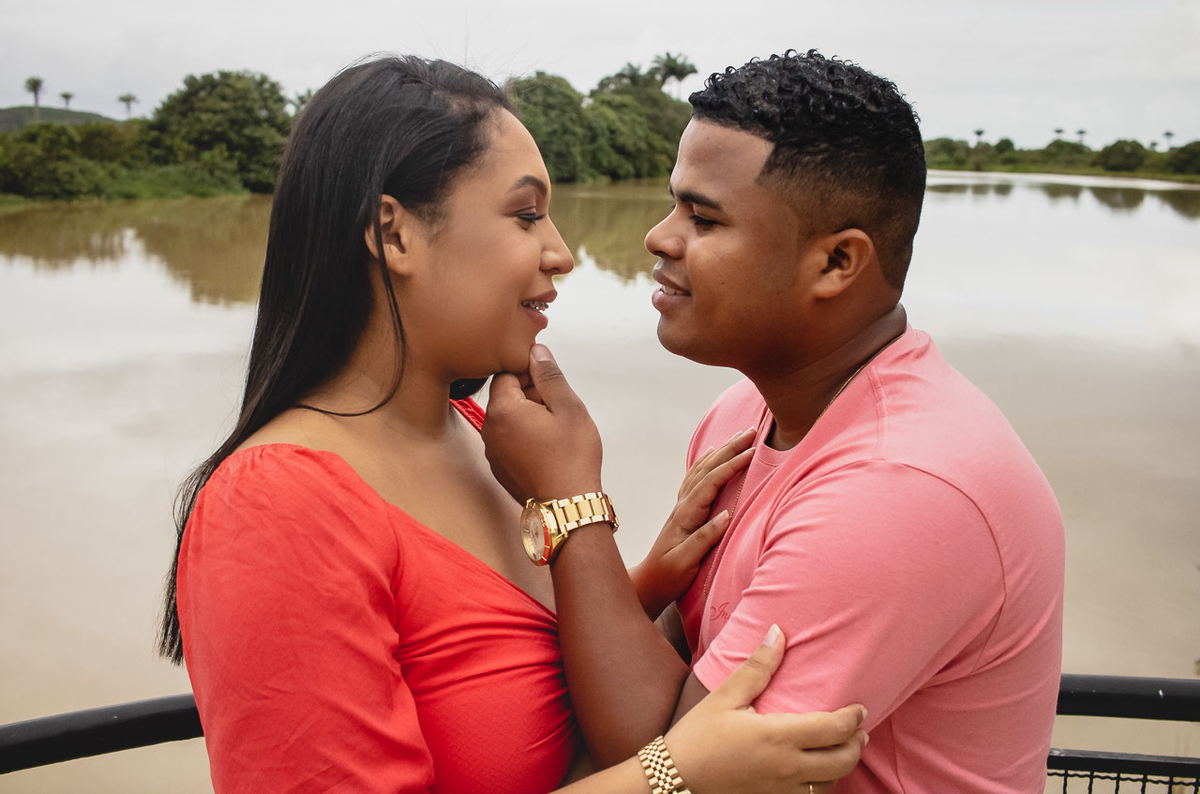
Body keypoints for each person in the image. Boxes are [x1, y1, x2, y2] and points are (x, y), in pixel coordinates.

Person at [156, 55, 868, 794]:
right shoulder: (278, 507)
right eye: (527, 215)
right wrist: (673, 777)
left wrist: (643, 580)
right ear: (394, 234)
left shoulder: (481, 430)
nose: (561, 251)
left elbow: (484, 648)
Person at [482, 50, 1066, 792]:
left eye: (703, 217)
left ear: (835, 264)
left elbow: (662, 757)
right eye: (672, 204)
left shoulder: (899, 489)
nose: (660, 238)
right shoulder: (748, 411)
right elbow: (669, 670)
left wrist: (571, 503)